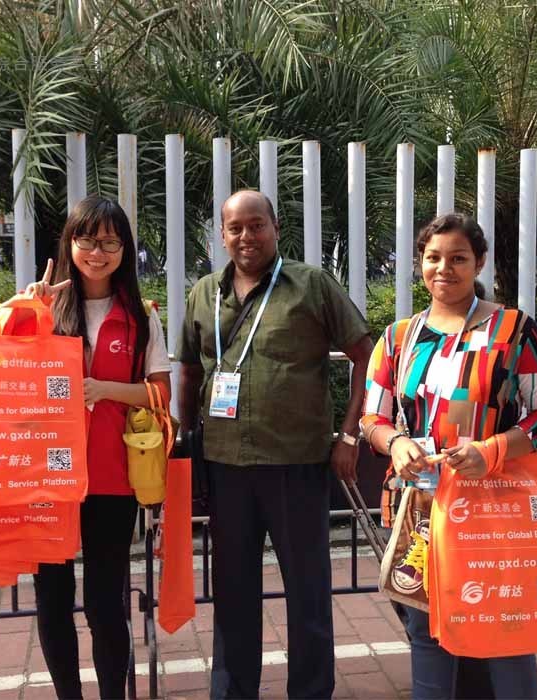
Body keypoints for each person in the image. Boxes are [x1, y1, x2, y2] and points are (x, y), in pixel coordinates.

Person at [360, 212, 537, 700]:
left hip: (494, 511)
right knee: (425, 627)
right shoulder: (398, 338)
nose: (444, 269)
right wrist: (396, 443)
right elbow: (372, 417)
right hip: (419, 507)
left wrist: (491, 450)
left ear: (479, 263)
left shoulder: (514, 331)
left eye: (458, 258)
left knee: (504, 627)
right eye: (433, 258)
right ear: (420, 263)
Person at [177, 189, 374, 699]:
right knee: (233, 591)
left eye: (256, 225)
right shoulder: (204, 292)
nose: (247, 236)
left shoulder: (311, 285)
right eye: (235, 227)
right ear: (222, 235)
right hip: (224, 464)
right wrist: (184, 439)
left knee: (307, 591)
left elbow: (366, 355)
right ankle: (232, 691)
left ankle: (310, 692)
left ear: (275, 228)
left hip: (296, 464)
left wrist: (349, 433)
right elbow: (190, 370)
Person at [24, 195, 172, 700]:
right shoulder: (42, 310)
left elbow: (159, 395)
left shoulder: (141, 317)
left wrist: (104, 389)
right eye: (87, 240)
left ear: (125, 250)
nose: (97, 252)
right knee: (52, 600)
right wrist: (26, 311)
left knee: (105, 604)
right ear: (69, 244)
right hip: (48, 478)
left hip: (112, 476)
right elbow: (1, 368)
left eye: (110, 242)